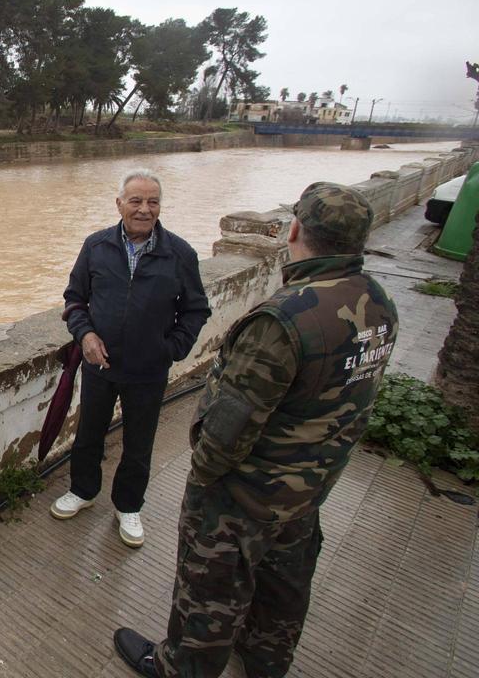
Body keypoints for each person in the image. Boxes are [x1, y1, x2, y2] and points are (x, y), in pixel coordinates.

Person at [112, 182, 399, 677]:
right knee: (284, 583)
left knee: (212, 587)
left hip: (248, 492)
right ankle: (266, 660)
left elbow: (229, 425)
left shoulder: (286, 317)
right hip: (311, 487)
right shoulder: (376, 300)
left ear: (295, 230)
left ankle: (182, 667)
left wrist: (203, 481)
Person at [51, 169, 210, 547]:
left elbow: (196, 310)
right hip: (99, 367)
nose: (144, 209)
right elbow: (74, 299)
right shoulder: (96, 246)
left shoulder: (179, 254)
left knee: (139, 443)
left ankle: (128, 506)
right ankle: (83, 492)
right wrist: (85, 334)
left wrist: (170, 349)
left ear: (160, 207)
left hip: (148, 371)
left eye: (152, 202)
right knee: (89, 434)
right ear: (119, 204)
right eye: (135, 201)